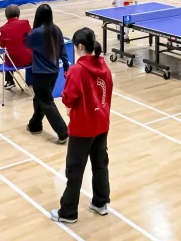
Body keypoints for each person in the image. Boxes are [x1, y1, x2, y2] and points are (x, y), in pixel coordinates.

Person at [51, 27, 113, 224]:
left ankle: (68, 213)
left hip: (82, 127)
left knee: (74, 169)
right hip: (101, 123)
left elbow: (69, 96)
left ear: (79, 46)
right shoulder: (103, 65)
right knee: (100, 164)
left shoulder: (77, 70)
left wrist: (69, 108)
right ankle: (101, 202)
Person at [26, 4, 70, 143]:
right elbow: (63, 50)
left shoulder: (36, 33)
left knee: (46, 101)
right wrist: (66, 66)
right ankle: (35, 125)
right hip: (54, 72)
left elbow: (26, 42)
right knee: (39, 98)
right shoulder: (57, 29)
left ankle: (63, 132)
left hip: (40, 73)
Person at [0, 4, 32, 89]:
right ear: (18, 14)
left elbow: (2, 45)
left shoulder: (3, 29)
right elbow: (32, 37)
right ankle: (33, 80)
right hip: (29, 60)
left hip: (12, 62)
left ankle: (10, 81)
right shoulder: (25, 23)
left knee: (8, 55)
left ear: (6, 16)